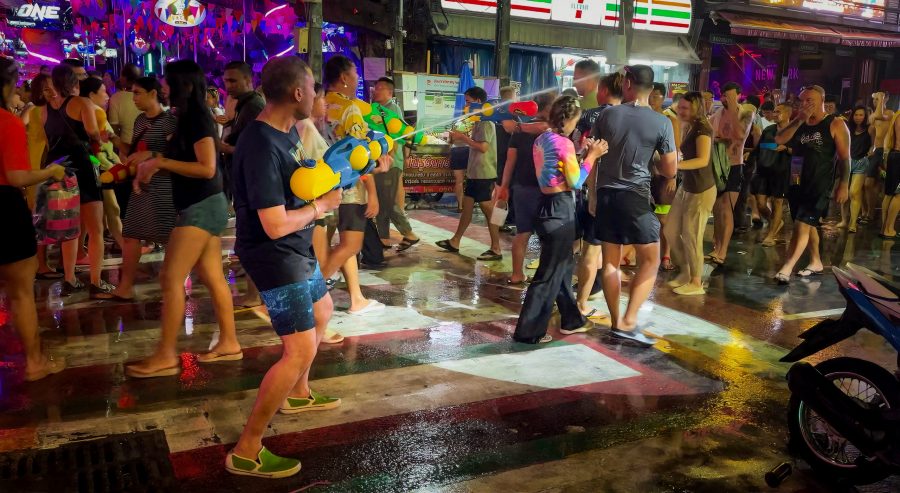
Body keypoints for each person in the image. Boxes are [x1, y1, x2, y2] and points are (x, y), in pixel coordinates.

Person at [226, 56, 344, 479]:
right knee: (300, 349)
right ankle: (247, 449)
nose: (318, 96)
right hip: (276, 256)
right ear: (297, 93)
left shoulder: (285, 134)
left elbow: (301, 183)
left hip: (296, 251)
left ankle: (298, 392)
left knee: (323, 311)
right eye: (313, 88)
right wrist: (322, 206)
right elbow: (273, 225)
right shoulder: (259, 144)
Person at [124, 60, 241, 377]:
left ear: (183, 85)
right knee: (213, 277)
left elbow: (206, 167)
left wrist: (161, 162)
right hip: (205, 203)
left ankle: (166, 355)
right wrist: (151, 158)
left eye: (167, 83)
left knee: (170, 279)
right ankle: (229, 342)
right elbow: (186, 157)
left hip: (201, 206)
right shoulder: (189, 116)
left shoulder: (198, 118)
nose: (163, 88)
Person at [590, 65, 677, 346]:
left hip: (605, 195)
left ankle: (616, 321)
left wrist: (592, 195)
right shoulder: (661, 122)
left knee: (611, 262)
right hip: (635, 197)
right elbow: (670, 171)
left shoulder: (607, 114)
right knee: (651, 259)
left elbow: (594, 156)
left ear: (627, 83)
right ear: (652, 90)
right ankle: (628, 321)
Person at [513, 95, 608, 344]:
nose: (577, 127)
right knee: (548, 274)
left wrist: (579, 151)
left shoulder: (542, 138)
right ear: (567, 121)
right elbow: (576, 181)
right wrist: (592, 156)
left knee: (562, 267)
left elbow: (555, 166)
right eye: (575, 122)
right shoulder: (563, 143)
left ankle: (572, 319)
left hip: (545, 207)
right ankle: (528, 332)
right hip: (560, 210)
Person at [0, 57, 68, 381]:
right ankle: (35, 362)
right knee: (21, 291)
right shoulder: (7, 122)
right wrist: (50, 171)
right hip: (4, 209)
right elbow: (15, 176)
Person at [320, 55, 389, 315]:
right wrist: (372, 192)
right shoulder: (350, 109)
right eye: (355, 75)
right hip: (349, 186)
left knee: (339, 244)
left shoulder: (320, 104)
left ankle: (356, 298)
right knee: (351, 244)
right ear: (344, 78)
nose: (358, 80)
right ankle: (307, 295)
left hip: (323, 185)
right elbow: (360, 155)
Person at [41, 63, 112, 298]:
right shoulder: (83, 103)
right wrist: (98, 142)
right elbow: (93, 133)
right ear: (75, 83)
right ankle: (96, 281)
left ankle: (69, 278)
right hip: (81, 165)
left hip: (58, 168)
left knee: (69, 226)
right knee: (95, 227)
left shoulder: (44, 110)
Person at [108, 77, 179, 301]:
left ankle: (175, 288)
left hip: (163, 187)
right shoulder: (140, 120)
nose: (134, 98)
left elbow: (178, 156)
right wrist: (114, 140)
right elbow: (133, 152)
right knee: (130, 235)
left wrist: (153, 155)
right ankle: (125, 286)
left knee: (170, 239)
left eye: (138, 93)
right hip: (141, 186)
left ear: (153, 94)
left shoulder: (170, 122)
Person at [773, 85, 850, 284]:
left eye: (810, 100)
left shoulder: (835, 124)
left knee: (802, 224)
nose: (805, 104)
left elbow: (844, 159)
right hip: (797, 176)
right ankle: (816, 262)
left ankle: (787, 267)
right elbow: (778, 139)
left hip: (820, 182)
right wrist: (798, 119)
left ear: (822, 101)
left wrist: (844, 184)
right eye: (802, 101)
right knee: (808, 223)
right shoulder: (799, 123)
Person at [574, 72, 624, 315]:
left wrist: (590, 191)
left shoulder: (591, 115)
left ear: (602, 90)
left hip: (588, 187)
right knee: (605, 251)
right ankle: (589, 298)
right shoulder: (630, 117)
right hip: (618, 191)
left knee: (584, 249)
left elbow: (581, 151)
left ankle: (575, 300)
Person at [437, 86, 502, 261]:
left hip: (484, 172)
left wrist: (462, 138)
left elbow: (483, 147)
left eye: (468, 101)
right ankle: (455, 241)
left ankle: (496, 248)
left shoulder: (486, 121)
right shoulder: (478, 120)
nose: (466, 105)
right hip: (475, 172)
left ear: (478, 102)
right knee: (467, 208)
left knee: (489, 211)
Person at [495, 92, 553, 285]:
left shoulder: (520, 131)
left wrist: (504, 186)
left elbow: (510, 161)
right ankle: (545, 276)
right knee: (547, 236)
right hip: (546, 190)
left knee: (522, 233)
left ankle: (517, 274)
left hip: (521, 188)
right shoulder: (553, 131)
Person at [663, 92, 715, 296]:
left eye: (685, 108)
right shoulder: (689, 124)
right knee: (671, 230)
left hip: (702, 189)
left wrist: (676, 167)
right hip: (688, 187)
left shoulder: (703, 128)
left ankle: (696, 281)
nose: (681, 111)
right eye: (680, 107)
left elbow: (703, 160)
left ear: (696, 108)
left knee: (693, 236)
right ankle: (686, 271)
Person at [706, 82, 754, 266]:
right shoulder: (717, 113)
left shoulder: (746, 112)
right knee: (717, 210)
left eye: (731, 96)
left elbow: (740, 135)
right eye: (724, 96)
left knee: (727, 209)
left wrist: (733, 106)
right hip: (717, 165)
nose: (726, 99)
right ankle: (716, 247)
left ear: (739, 96)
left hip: (734, 166)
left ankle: (723, 251)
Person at [370, 77, 419, 250]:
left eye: (380, 88)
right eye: (375, 87)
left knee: (389, 202)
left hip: (389, 162)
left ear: (390, 92)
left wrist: (389, 158)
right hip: (380, 162)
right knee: (383, 202)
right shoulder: (376, 110)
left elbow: (397, 137)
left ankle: (409, 233)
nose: (376, 90)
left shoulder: (393, 109)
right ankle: (383, 239)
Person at [80, 76, 124, 250]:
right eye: (104, 91)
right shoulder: (95, 115)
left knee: (100, 213)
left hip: (101, 167)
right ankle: (122, 244)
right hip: (100, 169)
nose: (107, 96)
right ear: (91, 94)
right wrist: (103, 164)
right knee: (111, 209)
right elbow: (96, 149)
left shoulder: (95, 113)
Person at [218, 61, 265, 200]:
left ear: (248, 80)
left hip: (251, 184)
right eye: (226, 81)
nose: (228, 86)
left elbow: (256, 149)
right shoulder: (244, 104)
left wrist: (223, 148)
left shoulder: (253, 106)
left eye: (233, 81)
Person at [753, 103, 793, 247]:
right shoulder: (769, 130)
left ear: (788, 114)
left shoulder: (795, 131)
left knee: (778, 203)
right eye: (774, 112)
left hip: (782, 171)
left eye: (778, 112)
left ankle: (771, 235)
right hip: (765, 170)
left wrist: (786, 148)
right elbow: (761, 147)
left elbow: (801, 152)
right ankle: (776, 222)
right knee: (761, 203)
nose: (775, 114)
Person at [649, 82, 679, 271]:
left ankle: (666, 255)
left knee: (664, 218)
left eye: (657, 95)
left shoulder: (668, 119)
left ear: (663, 96)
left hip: (663, 175)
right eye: (650, 94)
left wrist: (672, 176)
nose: (653, 98)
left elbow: (676, 149)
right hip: (645, 174)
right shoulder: (641, 115)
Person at [837, 106, 873, 233]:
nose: (858, 117)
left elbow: (875, 143)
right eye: (856, 115)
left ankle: (852, 223)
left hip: (861, 162)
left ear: (865, 116)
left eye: (861, 115)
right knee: (844, 192)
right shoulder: (848, 128)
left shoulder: (870, 128)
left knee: (853, 192)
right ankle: (844, 221)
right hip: (847, 162)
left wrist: (870, 152)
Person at [863, 92, 893, 225]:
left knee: (883, 184)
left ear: (886, 99)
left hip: (887, 151)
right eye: (874, 99)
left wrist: (881, 98)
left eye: (878, 99)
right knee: (869, 183)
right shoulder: (873, 115)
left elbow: (881, 116)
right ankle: (871, 211)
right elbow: (874, 133)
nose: (875, 101)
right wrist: (871, 147)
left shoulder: (890, 113)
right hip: (877, 151)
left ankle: (880, 214)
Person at [108, 63, 142, 154]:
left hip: (125, 147)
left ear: (125, 78)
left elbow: (113, 128)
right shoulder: (147, 95)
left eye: (121, 75)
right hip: (149, 148)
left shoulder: (116, 98)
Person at [881, 111, 900, 239]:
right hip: (898, 155)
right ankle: (889, 229)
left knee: (889, 194)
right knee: (898, 195)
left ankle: (884, 228)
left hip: (894, 155)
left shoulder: (897, 115)